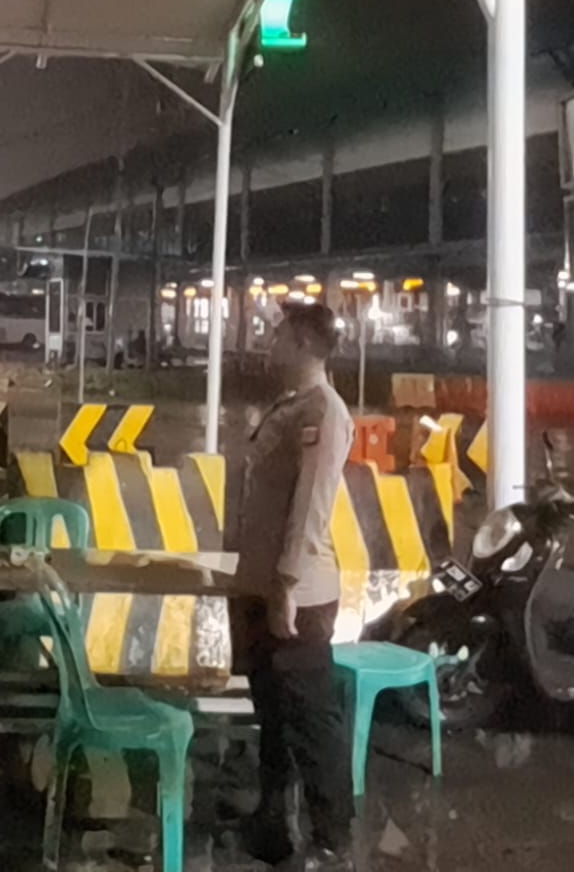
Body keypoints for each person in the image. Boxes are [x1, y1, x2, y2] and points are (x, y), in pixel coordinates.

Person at [233, 302, 355, 870]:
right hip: (263, 587)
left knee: (311, 720)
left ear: (304, 342)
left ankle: (331, 840)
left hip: (297, 595)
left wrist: (285, 583)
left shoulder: (324, 411)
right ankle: (272, 822)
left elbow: (311, 506)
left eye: (278, 333)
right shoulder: (290, 404)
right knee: (275, 715)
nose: (270, 341)